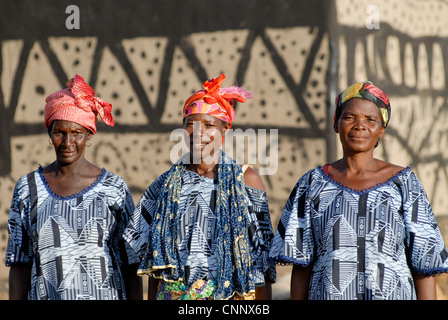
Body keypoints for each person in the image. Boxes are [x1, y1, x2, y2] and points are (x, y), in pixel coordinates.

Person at [269, 81, 448, 300]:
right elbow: (301, 265)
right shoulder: (312, 184)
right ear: (336, 124)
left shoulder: (404, 184)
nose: (359, 125)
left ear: (381, 129)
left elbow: (425, 264)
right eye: (349, 117)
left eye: (370, 119)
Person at [124, 74, 276, 300]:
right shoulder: (165, 185)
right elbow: (154, 261)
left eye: (209, 125)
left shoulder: (246, 180)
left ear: (225, 130)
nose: (199, 133)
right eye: (191, 124)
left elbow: (261, 260)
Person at [5, 74, 142, 300]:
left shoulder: (113, 189)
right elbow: (19, 264)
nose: (68, 143)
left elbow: (131, 263)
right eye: (60, 132)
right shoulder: (28, 188)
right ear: (50, 133)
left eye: (76, 133)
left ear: (89, 134)